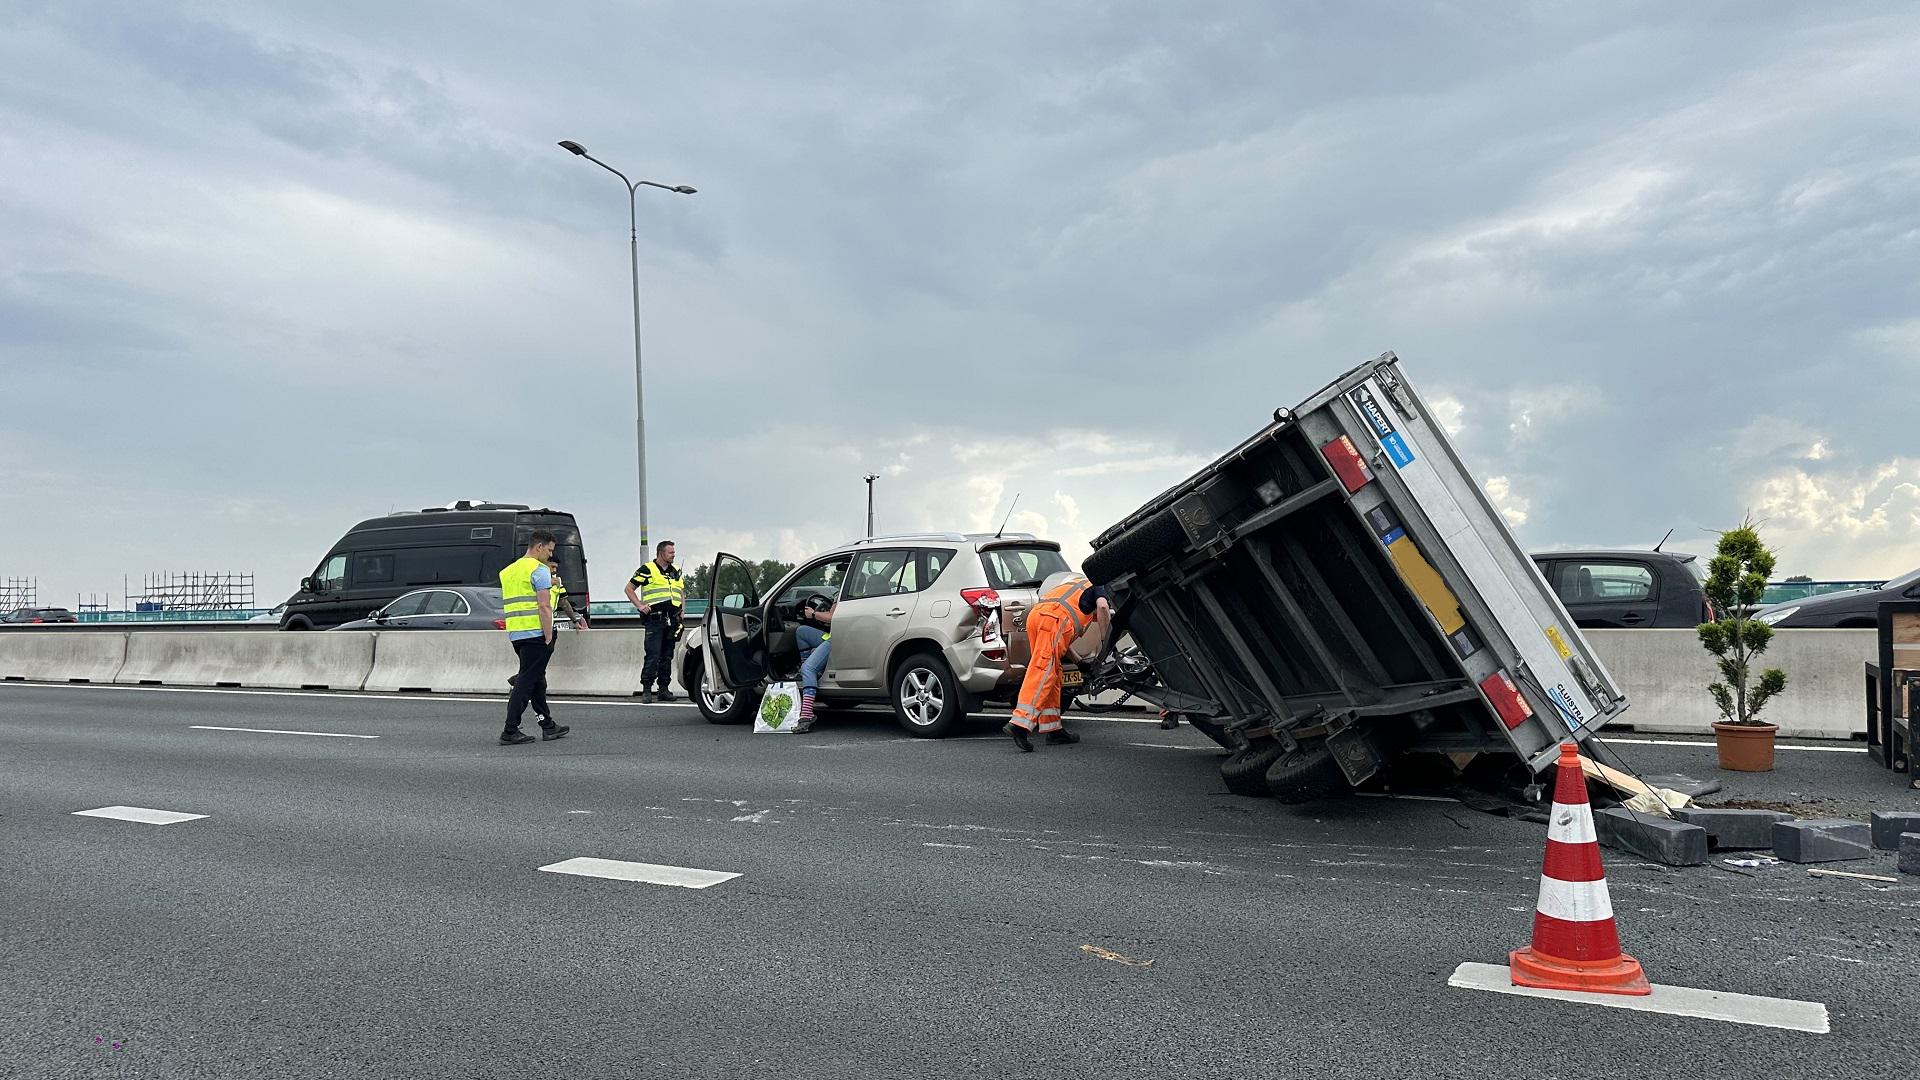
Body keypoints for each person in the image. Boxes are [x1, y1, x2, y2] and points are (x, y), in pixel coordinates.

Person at [1004, 572, 1111, 752]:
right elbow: (1102, 608)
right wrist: (1106, 643)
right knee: (1043, 670)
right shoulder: (1100, 583)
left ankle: (1053, 729)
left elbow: (1060, 639)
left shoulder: (1076, 584)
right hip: (1052, 620)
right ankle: (1020, 723)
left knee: (1051, 670)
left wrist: (1079, 662)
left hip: (1038, 616)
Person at [499, 530, 570, 746]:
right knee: (527, 681)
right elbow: (544, 605)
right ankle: (510, 730)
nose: (550, 556)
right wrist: (548, 635)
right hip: (536, 634)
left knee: (537, 679)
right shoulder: (539, 571)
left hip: (516, 634)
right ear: (538, 547)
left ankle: (548, 725)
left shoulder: (508, 571)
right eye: (549, 550)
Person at [625, 540, 685, 703]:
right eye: (670, 552)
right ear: (661, 553)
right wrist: (640, 605)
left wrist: (682, 612)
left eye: (673, 552)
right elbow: (629, 589)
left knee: (667, 656)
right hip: (655, 620)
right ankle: (646, 689)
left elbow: (680, 592)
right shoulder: (647, 569)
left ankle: (663, 689)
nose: (673, 554)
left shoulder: (676, 570)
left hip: (672, 619)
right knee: (653, 655)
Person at [793, 595, 834, 732]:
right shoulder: (849, 592)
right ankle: (809, 678)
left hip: (836, 638)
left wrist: (814, 614)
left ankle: (806, 715)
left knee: (808, 668)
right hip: (830, 635)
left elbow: (832, 617)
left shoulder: (851, 593)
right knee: (802, 631)